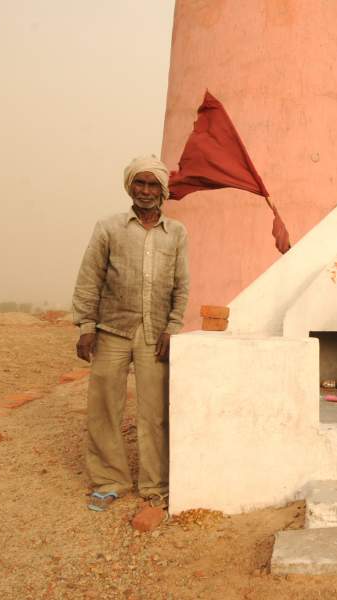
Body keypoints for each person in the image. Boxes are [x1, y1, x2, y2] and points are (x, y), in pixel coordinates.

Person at [72, 155, 190, 512]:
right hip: (111, 329)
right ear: (129, 187)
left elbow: (181, 286)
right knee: (105, 407)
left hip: (155, 334)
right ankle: (111, 480)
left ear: (163, 191)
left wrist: (173, 326)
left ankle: (156, 484)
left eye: (153, 184)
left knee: (154, 411)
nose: (145, 190)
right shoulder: (109, 228)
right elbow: (90, 277)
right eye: (139, 183)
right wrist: (86, 325)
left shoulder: (177, 233)